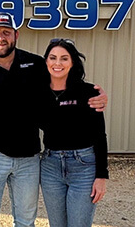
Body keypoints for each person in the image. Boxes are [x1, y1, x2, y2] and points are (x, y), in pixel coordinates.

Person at [0, 13, 107, 227]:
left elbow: (62, 78)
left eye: (6, 32)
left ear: (16, 35)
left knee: (25, 220)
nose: (1, 37)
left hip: (29, 158)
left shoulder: (35, 64)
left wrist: (94, 94)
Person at [39, 38, 108, 227]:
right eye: (53, 58)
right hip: (50, 167)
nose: (57, 63)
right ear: (46, 62)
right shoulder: (38, 92)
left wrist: (101, 176)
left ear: (72, 63)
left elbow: (100, 135)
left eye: (64, 58)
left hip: (83, 167)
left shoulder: (88, 92)